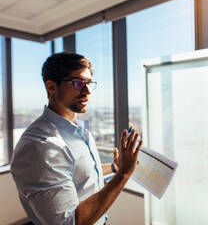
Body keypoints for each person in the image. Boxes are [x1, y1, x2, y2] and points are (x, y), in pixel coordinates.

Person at [11, 52, 142, 225]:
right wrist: (124, 174)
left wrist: (114, 167)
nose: (87, 91)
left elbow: (80, 173)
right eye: (78, 83)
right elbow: (68, 222)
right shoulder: (40, 146)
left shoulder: (80, 128)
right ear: (51, 87)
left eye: (88, 83)